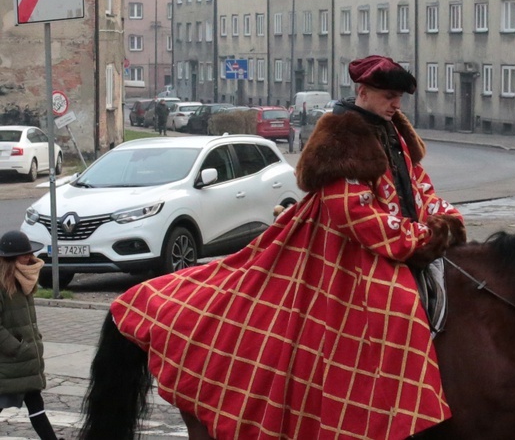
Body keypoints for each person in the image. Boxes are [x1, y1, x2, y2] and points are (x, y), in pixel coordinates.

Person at [110, 55, 466, 439]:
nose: (396, 104)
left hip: (401, 240)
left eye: (399, 97)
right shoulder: (341, 139)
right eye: (389, 96)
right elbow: (356, 217)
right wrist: (423, 238)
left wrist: (445, 220)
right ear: (363, 92)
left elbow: (420, 186)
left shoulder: (393, 131)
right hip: (341, 255)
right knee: (395, 309)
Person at [0, 231, 62, 440]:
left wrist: (33, 343)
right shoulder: (2, 285)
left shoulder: (23, 281)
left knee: (36, 407)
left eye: (30, 253)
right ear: (10, 258)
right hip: (9, 361)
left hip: (23, 360)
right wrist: (17, 347)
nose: (30, 258)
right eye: (24, 254)